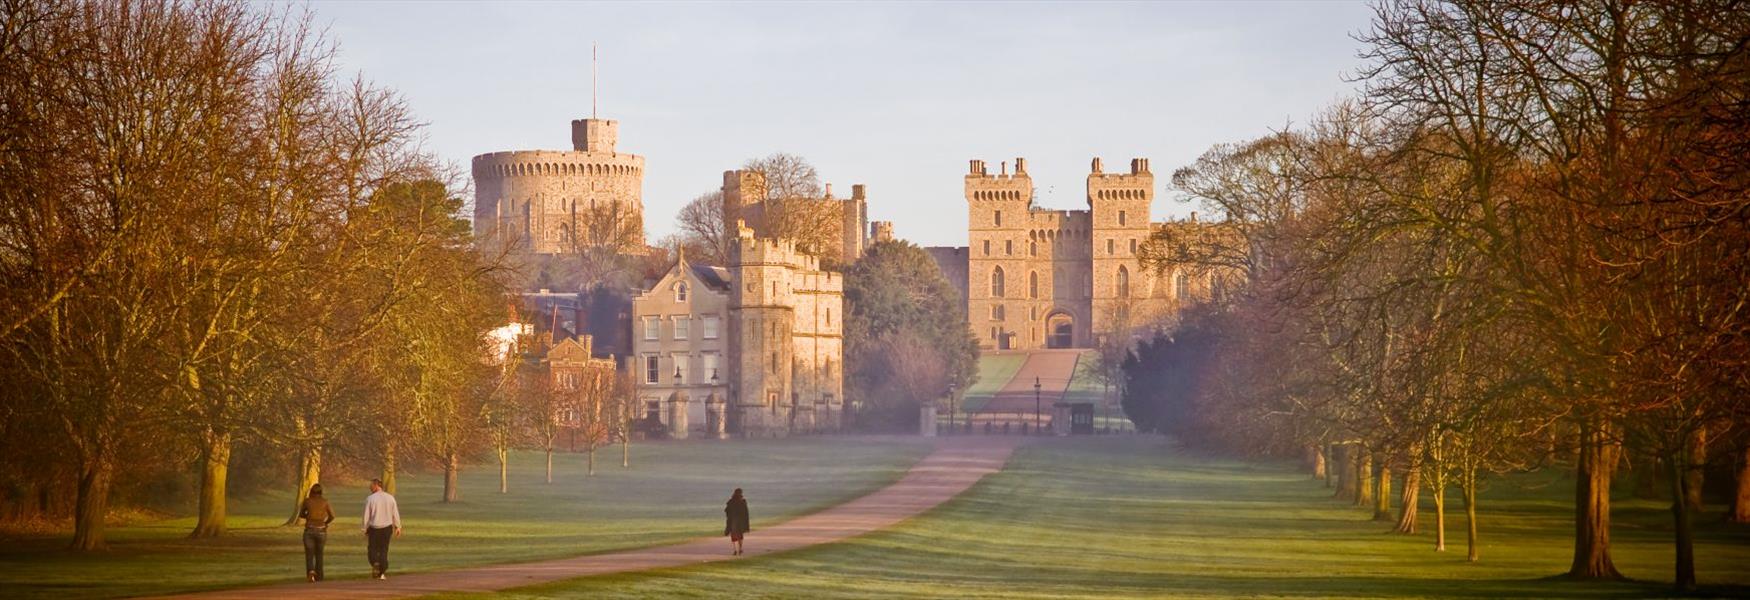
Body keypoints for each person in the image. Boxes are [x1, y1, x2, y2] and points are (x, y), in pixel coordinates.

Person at [360, 478, 402, 580]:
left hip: (374, 528)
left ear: (376, 485)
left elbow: (366, 515)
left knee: (372, 549)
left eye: (371, 485)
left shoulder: (370, 499)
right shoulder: (390, 498)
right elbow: (395, 513)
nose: (370, 487)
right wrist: (398, 526)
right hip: (387, 528)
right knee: (384, 550)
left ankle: (375, 562)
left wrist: (364, 528)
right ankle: (382, 571)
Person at [298, 483, 336, 582]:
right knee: (319, 554)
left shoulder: (307, 501)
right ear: (321, 492)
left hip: (309, 529)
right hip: (321, 530)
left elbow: (301, 514)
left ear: (311, 492)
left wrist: (308, 516)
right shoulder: (325, 502)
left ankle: (311, 572)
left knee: (309, 554)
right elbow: (332, 516)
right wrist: (325, 522)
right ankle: (320, 577)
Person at [724, 488, 750, 556]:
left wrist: (729, 517)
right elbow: (745, 512)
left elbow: (727, 510)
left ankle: (735, 550)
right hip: (740, 521)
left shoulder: (731, 501)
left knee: (733, 535)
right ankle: (740, 549)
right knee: (740, 536)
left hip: (733, 520)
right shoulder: (743, 501)